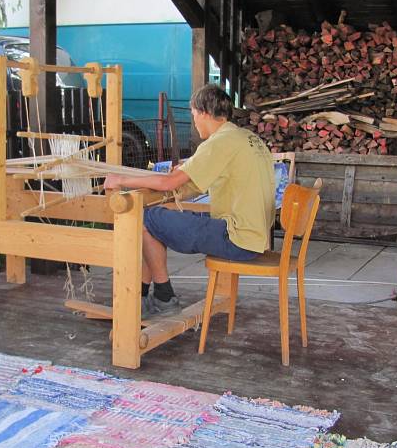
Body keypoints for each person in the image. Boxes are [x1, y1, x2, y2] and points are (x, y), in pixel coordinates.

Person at [103, 83, 276, 317]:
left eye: (194, 115)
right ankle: (143, 297)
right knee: (153, 223)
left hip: (236, 237)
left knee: (144, 218)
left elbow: (168, 183)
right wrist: (171, 187)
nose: (194, 121)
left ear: (204, 112)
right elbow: (194, 184)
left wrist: (121, 179)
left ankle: (162, 297)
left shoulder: (219, 142)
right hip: (254, 235)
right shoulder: (246, 138)